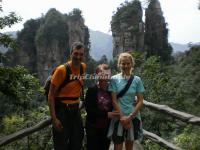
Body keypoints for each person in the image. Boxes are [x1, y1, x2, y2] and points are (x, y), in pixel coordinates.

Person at [48, 42, 86, 150]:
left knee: (77, 141)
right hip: (62, 110)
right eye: (76, 54)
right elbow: (51, 95)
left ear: (83, 55)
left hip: (75, 110)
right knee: (61, 144)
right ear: (71, 54)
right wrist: (54, 119)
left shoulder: (83, 67)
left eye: (81, 54)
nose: (78, 57)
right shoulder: (61, 70)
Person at [107, 52, 145, 150]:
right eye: (123, 63)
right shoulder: (114, 79)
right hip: (118, 117)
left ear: (132, 64)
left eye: (128, 63)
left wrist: (130, 117)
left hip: (133, 116)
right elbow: (114, 100)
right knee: (117, 145)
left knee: (129, 145)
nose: (126, 66)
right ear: (119, 64)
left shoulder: (137, 80)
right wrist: (122, 118)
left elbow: (140, 100)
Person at [85, 64, 119, 150]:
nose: (104, 77)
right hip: (93, 128)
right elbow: (90, 110)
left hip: (106, 128)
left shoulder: (111, 90)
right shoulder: (91, 90)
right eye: (102, 74)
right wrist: (106, 114)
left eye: (107, 74)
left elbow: (118, 100)